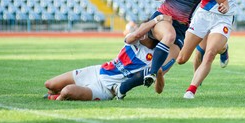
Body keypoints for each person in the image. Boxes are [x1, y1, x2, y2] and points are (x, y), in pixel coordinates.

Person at [118, 0, 228, 99]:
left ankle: (122, 88)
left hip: (182, 28)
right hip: (163, 19)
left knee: (161, 70)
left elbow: (223, 0)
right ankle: (147, 72)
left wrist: (224, 6)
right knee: (169, 35)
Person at [43, 15, 171, 101]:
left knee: (66, 91)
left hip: (105, 88)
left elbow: (159, 90)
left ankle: (57, 98)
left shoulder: (155, 56)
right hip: (97, 71)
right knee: (49, 84)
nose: (140, 30)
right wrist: (157, 19)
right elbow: (136, 34)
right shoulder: (134, 40)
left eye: (145, 30)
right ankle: (53, 95)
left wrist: (158, 73)